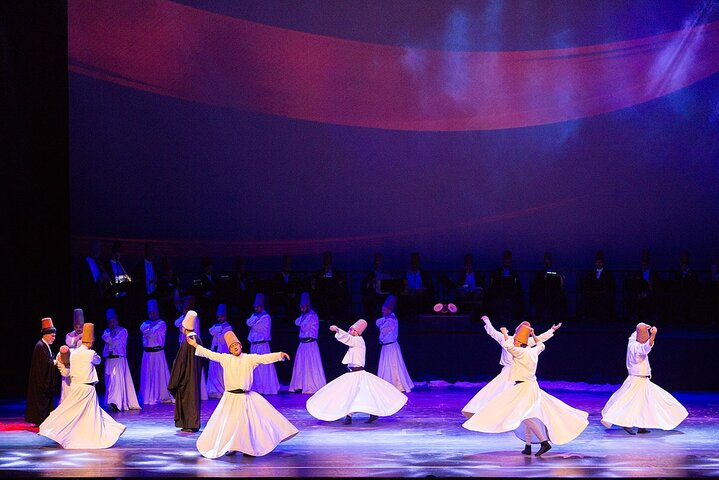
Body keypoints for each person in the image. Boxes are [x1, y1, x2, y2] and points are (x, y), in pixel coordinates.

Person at [463, 324, 588, 456]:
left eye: (516, 340)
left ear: (519, 342)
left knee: (525, 415)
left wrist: (505, 333)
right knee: (526, 415)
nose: (514, 341)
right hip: (529, 386)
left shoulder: (520, 353)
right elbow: (541, 345)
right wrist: (534, 335)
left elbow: (508, 345)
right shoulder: (533, 351)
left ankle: (544, 442)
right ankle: (529, 445)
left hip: (524, 388)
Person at [186, 331, 298, 457]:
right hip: (230, 398)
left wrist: (279, 355)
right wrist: (195, 345)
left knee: (246, 424)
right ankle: (231, 446)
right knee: (231, 423)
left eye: (236, 345)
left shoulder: (249, 359)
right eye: (232, 346)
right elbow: (210, 354)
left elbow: (264, 358)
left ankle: (247, 448)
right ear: (229, 349)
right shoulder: (226, 358)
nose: (234, 347)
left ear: (240, 346)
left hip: (245, 397)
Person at [38, 323, 126, 449]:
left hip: (76, 387)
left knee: (72, 411)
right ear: (90, 342)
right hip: (87, 388)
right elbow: (99, 360)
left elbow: (63, 360)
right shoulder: (91, 353)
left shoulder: (73, 352)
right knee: (90, 415)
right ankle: (92, 435)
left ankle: (55, 429)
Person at [306, 319, 408, 425]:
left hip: (357, 373)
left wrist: (337, 330)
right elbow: (348, 339)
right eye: (349, 329)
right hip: (352, 373)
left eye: (351, 330)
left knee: (353, 394)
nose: (349, 331)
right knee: (352, 394)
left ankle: (349, 416)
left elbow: (347, 338)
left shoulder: (358, 340)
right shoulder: (354, 341)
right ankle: (361, 414)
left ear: (356, 332)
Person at [461, 316, 560, 418]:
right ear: (518, 329)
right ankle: (488, 413)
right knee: (497, 392)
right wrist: (487, 321)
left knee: (518, 395)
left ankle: (518, 415)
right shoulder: (507, 339)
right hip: (507, 372)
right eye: (523, 328)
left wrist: (552, 330)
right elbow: (493, 332)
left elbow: (540, 339)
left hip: (520, 373)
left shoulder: (526, 342)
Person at [600, 323, 688, 434]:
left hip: (639, 379)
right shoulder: (638, 348)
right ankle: (625, 422)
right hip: (638, 380)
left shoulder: (632, 341)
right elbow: (648, 346)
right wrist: (653, 335)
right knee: (632, 402)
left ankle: (642, 425)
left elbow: (635, 333)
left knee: (645, 402)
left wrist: (643, 326)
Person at [168, 310, 203, 432]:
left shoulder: (187, 341)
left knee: (187, 397)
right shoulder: (197, 339)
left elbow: (181, 362)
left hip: (187, 376)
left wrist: (174, 380)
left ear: (184, 328)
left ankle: (189, 424)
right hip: (195, 375)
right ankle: (193, 424)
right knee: (193, 397)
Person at [101, 308, 141, 412]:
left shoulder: (123, 331)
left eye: (113, 321)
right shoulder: (106, 331)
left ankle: (117, 403)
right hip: (109, 360)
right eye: (110, 322)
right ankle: (110, 402)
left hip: (118, 359)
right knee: (109, 381)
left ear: (117, 321)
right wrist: (110, 339)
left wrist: (110, 339)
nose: (112, 324)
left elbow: (115, 342)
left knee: (117, 381)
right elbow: (105, 338)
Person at [288, 292, 326, 394]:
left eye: (304, 306)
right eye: (301, 306)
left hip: (310, 344)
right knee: (300, 365)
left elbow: (305, 326)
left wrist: (302, 318)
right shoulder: (303, 315)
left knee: (311, 365)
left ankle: (310, 385)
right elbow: (296, 322)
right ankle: (300, 385)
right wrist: (302, 316)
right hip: (302, 344)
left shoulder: (312, 315)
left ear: (308, 305)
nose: (302, 308)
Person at [25, 317, 60, 426]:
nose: (54, 338)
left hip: (43, 380)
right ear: (46, 334)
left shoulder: (45, 345)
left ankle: (44, 419)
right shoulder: (40, 346)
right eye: (52, 336)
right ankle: (40, 420)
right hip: (40, 381)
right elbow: (44, 364)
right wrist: (55, 362)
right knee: (41, 401)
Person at [376, 295, 414, 393]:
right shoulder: (387, 318)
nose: (383, 312)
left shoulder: (392, 320)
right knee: (386, 365)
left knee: (393, 365)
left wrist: (385, 320)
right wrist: (384, 319)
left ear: (389, 310)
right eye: (382, 310)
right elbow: (377, 322)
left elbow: (383, 329)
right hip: (386, 347)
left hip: (391, 347)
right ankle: (386, 384)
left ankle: (396, 385)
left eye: (384, 310)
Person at [139, 299, 173, 405]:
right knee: (148, 374)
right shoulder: (145, 323)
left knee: (159, 374)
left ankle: (160, 394)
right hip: (147, 354)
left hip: (158, 353)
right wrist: (148, 330)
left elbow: (152, 333)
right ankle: (148, 395)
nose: (152, 315)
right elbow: (143, 329)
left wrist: (148, 331)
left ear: (158, 313)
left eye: (154, 313)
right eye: (150, 313)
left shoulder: (162, 323)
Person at [174, 296, 208, 400]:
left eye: (187, 310)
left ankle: (196, 392)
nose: (185, 312)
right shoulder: (182, 319)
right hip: (183, 345)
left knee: (193, 368)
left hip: (192, 345)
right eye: (184, 310)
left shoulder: (195, 319)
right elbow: (176, 323)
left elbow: (194, 332)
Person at [246, 293, 280, 394]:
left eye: (258, 307)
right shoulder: (254, 315)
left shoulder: (266, 317)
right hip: (254, 345)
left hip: (262, 345)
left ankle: (266, 388)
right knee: (255, 368)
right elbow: (248, 323)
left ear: (262, 306)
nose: (256, 309)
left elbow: (256, 327)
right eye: (255, 307)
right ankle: (257, 388)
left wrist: (254, 321)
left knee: (263, 367)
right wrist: (254, 320)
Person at [487, 250, 524, 325]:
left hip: (511, 295)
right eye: (505, 259)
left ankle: (512, 319)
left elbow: (518, 286)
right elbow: (493, 285)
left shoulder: (514, 273)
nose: (507, 261)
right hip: (499, 295)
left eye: (508, 260)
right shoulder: (497, 272)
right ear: (503, 260)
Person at [580, 250, 615, 323]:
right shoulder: (591, 272)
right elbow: (587, 283)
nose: (599, 264)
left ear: (603, 263)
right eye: (597, 262)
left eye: (600, 262)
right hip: (592, 292)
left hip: (604, 292)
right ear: (595, 263)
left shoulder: (607, 273)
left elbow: (610, 284)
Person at [530, 252, 566, 324]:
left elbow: (560, 286)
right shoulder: (540, 274)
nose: (547, 262)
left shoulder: (556, 273)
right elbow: (536, 286)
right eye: (546, 260)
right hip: (543, 296)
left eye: (548, 260)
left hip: (553, 296)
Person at [206, 303, 233, 399]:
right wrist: (218, 329)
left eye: (221, 317)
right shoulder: (216, 326)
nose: (220, 319)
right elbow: (211, 331)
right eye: (218, 317)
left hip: (223, 351)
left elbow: (222, 338)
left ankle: (222, 389)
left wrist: (218, 330)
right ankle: (213, 390)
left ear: (225, 317)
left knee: (221, 370)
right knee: (213, 370)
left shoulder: (228, 327)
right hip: (215, 350)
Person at [61, 309, 85, 403]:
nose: (78, 329)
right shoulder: (69, 335)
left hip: (82, 361)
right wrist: (78, 337)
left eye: (80, 327)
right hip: (72, 361)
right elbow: (70, 344)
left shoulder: (87, 334)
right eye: (76, 327)